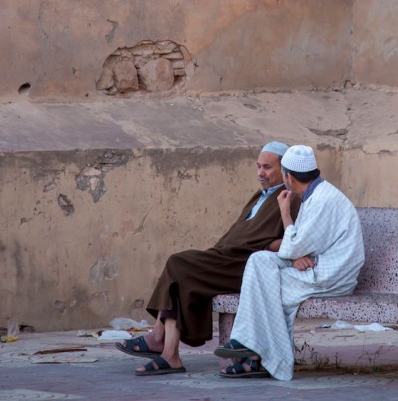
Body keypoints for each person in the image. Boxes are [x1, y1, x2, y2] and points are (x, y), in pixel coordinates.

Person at [117, 141, 301, 376]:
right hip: (225, 257)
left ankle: (158, 339)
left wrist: (263, 244)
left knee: (178, 264)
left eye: (267, 167)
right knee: (180, 277)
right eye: (258, 167)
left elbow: (292, 239)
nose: (260, 173)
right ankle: (168, 353)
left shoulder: (290, 198)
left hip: (245, 265)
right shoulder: (261, 195)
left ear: (284, 170)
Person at [214, 144, 364, 380]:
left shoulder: (324, 200)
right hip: (314, 265)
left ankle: (260, 358)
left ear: (288, 177)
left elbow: (293, 246)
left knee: (265, 286)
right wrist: (294, 255)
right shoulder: (313, 195)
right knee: (259, 260)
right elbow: (295, 247)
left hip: (329, 276)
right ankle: (247, 345)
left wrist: (284, 211)